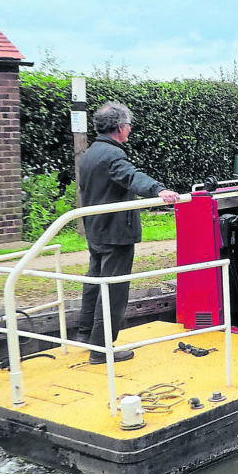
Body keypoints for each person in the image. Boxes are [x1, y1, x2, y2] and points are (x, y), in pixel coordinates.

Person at [76, 102, 181, 364]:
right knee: (113, 289)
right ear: (121, 127)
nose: (130, 130)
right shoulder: (113, 156)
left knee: (94, 282)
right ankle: (101, 350)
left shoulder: (89, 154)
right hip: (115, 233)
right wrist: (159, 190)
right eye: (129, 126)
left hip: (96, 230)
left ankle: (85, 334)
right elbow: (131, 176)